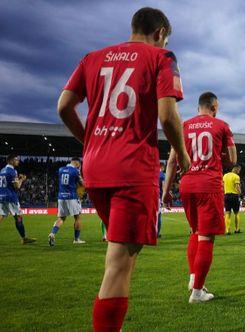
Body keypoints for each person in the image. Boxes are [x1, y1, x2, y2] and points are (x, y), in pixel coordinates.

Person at [58, 7, 190, 331]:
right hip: (132, 167)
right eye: (164, 39)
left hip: (97, 168)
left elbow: (64, 105)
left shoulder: (92, 58)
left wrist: (89, 140)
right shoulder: (162, 57)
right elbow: (167, 116)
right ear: (160, 33)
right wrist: (183, 157)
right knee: (118, 266)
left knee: (119, 260)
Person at [162, 91, 236, 303]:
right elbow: (232, 159)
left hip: (187, 184)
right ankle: (197, 292)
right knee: (206, 236)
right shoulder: (221, 125)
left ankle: (194, 277)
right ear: (213, 107)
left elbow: (171, 162)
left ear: (198, 108)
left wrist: (166, 191)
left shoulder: (184, 126)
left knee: (194, 231)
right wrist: (220, 154)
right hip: (208, 183)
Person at [48, 157, 86, 246]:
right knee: (77, 218)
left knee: (61, 218)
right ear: (77, 163)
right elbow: (82, 184)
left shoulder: (61, 169)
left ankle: (52, 233)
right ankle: (76, 239)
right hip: (72, 196)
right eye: (79, 165)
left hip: (61, 197)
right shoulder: (75, 171)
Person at [0, 154, 36, 244]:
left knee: (1, 215)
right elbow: (17, 186)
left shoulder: (2, 170)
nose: (18, 161)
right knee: (18, 217)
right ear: (11, 160)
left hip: (2, 196)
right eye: (16, 159)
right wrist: (22, 179)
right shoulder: (13, 171)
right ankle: (24, 238)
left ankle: (24, 238)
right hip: (11, 198)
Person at [223, 165, 241, 234]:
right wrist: (241, 194)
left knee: (227, 213)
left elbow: (222, 185)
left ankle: (227, 230)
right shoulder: (236, 177)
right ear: (236, 169)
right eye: (239, 170)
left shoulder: (225, 176)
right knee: (236, 213)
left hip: (226, 195)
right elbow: (237, 187)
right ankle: (237, 229)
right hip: (234, 196)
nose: (239, 172)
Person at [157, 162, 166, 238]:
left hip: (152, 195)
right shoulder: (162, 174)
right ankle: (157, 233)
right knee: (159, 216)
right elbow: (163, 186)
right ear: (162, 167)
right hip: (158, 197)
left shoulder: (153, 172)